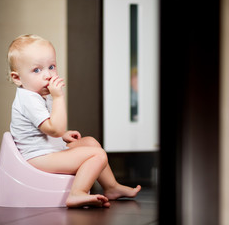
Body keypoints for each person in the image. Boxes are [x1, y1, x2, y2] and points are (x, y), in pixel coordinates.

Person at [8, 34, 141, 208]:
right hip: (38, 158)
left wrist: (62, 135)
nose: (48, 75)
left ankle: (111, 187)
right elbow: (53, 128)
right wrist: (58, 98)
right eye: (37, 70)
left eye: (52, 67)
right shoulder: (29, 99)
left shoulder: (38, 94)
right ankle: (77, 193)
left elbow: (46, 128)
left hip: (48, 150)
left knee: (91, 143)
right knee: (97, 155)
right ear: (17, 78)